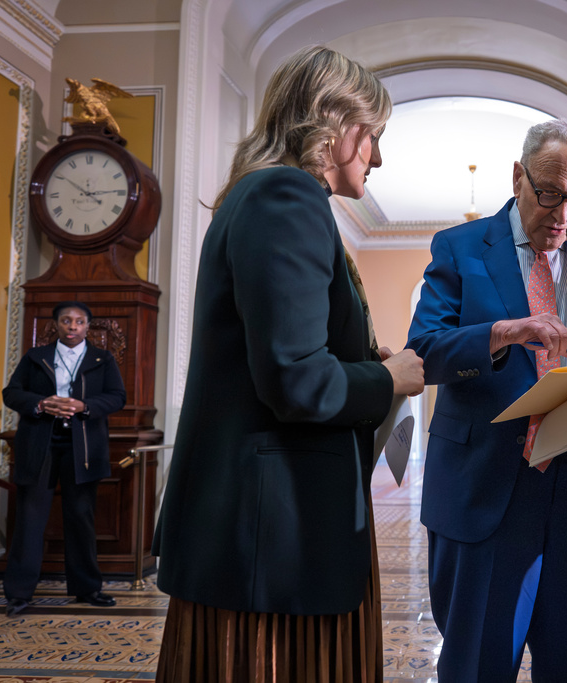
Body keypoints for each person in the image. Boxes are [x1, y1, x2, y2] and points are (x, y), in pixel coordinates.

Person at [152, 45, 424, 682]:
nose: (378, 156)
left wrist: (362, 360)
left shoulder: (265, 195)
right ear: (333, 125)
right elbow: (296, 381)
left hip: (264, 531)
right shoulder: (286, 195)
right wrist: (387, 378)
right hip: (274, 538)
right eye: (373, 135)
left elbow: (281, 355)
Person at [407, 118, 567, 681]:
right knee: (477, 668)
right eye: (551, 194)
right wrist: (503, 333)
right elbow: (423, 352)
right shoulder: (459, 247)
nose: (564, 216)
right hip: (484, 495)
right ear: (518, 177)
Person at [1, 301, 126, 616]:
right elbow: (11, 393)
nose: (72, 326)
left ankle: (87, 589)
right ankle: (18, 593)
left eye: (79, 321)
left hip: (83, 446)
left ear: (88, 326)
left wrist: (85, 406)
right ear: (55, 325)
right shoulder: (35, 357)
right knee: (30, 518)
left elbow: (117, 397)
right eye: (66, 321)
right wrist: (41, 404)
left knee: (81, 517)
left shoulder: (103, 359)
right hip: (39, 443)